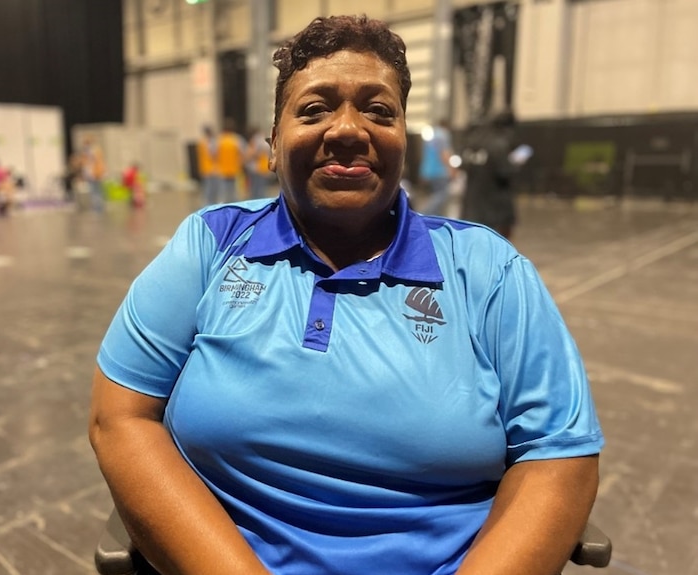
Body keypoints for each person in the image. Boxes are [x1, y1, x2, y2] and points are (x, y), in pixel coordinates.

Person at [89, 15, 603, 575]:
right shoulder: (210, 245)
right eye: (314, 109)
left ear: (402, 141)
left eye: (379, 110)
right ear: (272, 145)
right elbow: (120, 418)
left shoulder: (489, 269)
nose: (348, 129)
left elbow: (559, 456)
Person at [460, 110, 523, 240]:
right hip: (495, 206)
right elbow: (505, 171)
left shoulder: (474, 142)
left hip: (472, 204)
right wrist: (515, 164)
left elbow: (465, 167)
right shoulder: (498, 144)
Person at [418, 118, 455, 216]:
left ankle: (432, 217)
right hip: (440, 171)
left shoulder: (432, 135)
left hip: (428, 171)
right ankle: (424, 213)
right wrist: (452, 170)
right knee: (441, 195)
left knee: (436, 194)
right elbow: (444, 154)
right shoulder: (444, 135)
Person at [215, 118, 246, 204]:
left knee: (223, 193)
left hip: (222, 171)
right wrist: (240, 163)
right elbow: (243, 154)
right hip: (235, 170)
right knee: (235, 193)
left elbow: (214, 155)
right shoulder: (237, 139)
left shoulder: (219, 140)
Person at [244, 126, 273, 200]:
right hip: (263, 167)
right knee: (261, 188)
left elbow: (253, 153)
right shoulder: (264, 140)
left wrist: (247, 159)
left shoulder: (256, 140)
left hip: (256, 168)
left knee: (255, 189)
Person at [80, 136, 106, 212]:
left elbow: (88, 163)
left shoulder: (91, 151)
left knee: (95, 191)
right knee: (96, 191)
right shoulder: (94, 150)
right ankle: (98, 207)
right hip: (94, 174)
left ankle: (97, 208)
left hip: (94, 174)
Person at [196, 125, 219, 206]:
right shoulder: (211, 142)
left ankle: (206, 204)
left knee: (206, 188)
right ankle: (211, 205)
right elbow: (213, 155)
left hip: (205, 168)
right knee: (212, 189)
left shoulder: (202, 142)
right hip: (212, 169)